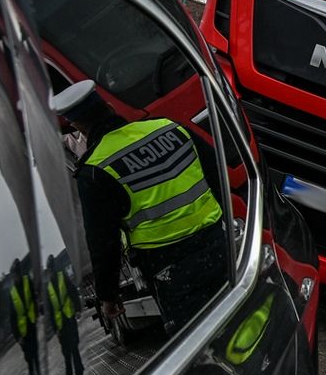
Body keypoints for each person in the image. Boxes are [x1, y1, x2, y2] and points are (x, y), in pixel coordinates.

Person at [49, 80, 227, 335]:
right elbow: (218, 174)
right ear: (109, 107)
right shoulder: (168, 127)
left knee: (203, 341)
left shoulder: (95, 171)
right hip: (219, 244)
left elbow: (103, 243)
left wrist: (108, 296)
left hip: (171, 271)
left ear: (78, 127)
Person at [45, 254, 85, 375]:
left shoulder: (62, 278)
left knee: (74, 351)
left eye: (51, 269)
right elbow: (50, 310)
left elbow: (73, 293)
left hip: (69, 320)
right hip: (61, 326)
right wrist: (55, 329)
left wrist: (78, 310)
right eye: (49, 270)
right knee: (67, 355)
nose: (51, 272)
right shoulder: (48, 287)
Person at [7, 257, 41, 375]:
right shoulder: (12, 293)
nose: (17, 276)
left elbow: (34, 299)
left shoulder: (28, 282)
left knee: (37, 360)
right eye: (15, 274)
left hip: (32, 327)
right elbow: (12, 318)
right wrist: (18, 337)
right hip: (23, 334)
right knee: (31, 362)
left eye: (18, 273)